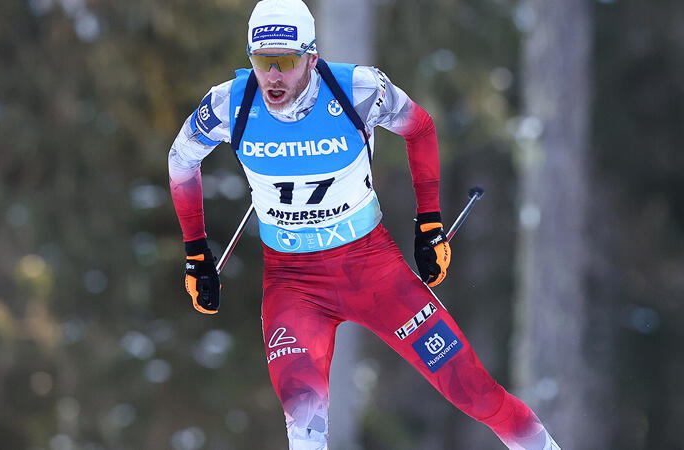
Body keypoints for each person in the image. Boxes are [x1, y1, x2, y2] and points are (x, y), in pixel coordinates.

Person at [169, 1, 562, 448]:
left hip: (372, 270)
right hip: (293, 282)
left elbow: (420, 128)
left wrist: (429, 225)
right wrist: (196, 254)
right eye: (263, 62)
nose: (273, 77)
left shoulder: (357, 89)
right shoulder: (228, 105)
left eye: (286, 61)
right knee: (306, 427)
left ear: (311, 58)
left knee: (472, 390)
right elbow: (181, 161)